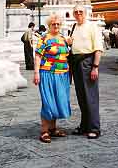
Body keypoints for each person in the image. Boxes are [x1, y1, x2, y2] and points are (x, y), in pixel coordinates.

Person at [33, 13, 71, 143]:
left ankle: (53, 128)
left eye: (58, 24)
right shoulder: (44, 38)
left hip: (62, 74)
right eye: (53, 24)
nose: (56, 26)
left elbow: (67, 54)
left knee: (57, 100)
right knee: (48, 102)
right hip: (47, 73)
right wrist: (36, 73)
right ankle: (44, 131)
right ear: (49, 25)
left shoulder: (62, 38)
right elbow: (38, 56)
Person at [70, 4, 103, 139]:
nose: (78, 14)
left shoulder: (92, 26)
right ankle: (84, 125)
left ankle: (94, 128)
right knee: (81, 97)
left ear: (86, 13)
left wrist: (95, 66)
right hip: (76, 63)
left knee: (91, 97)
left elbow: (98, 48)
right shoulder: (74, 27)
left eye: (81, 12)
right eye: (76, 12)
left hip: (88, 62)